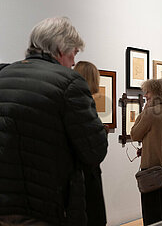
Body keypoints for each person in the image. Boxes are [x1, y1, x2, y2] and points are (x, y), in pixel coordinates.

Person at [0, 17, 108, 226]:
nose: (74, 62)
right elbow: (95, 151)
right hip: (47, 208)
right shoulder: (69, 82)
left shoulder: (3, 75)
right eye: (73, 53)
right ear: (60, 49)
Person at [130, 79, 162, 226]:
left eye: (148, 91)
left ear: (157, 93)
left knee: (152, 216)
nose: (145, 95)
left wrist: (144, 111)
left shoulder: (150, 113)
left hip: (153, 172)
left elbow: (135, 134)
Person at [74, 61, 107, 226]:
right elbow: (95, 146)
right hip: (87, 175)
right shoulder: (85, 103)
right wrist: (102, 132)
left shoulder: (70, 100)